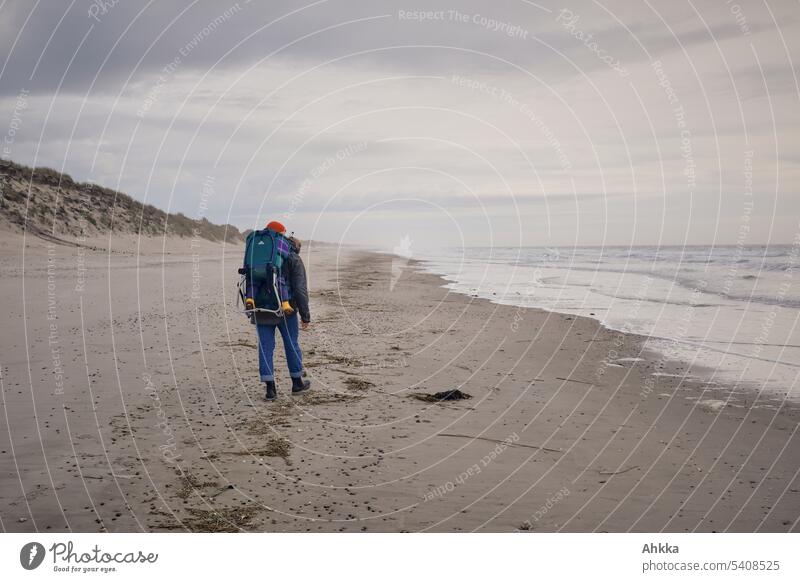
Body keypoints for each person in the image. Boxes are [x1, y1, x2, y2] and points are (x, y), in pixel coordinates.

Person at [252, 220, 311, 401]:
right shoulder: (293, 257)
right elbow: (300, 290)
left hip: (261, 307)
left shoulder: (256, 252)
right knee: (291, 344)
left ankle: (270, 390)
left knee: (265, 347)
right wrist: (305, 316)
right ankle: (297, 383)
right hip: (286, 309)